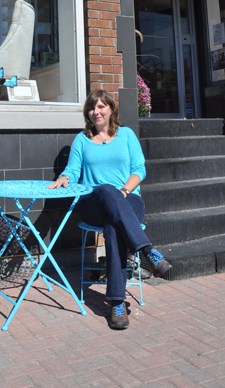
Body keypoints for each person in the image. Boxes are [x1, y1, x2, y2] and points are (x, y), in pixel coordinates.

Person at [48, 89, 171, 330]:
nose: (96, 112)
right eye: (92, 108)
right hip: (93, 203)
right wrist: (64, 176)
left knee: (114, 228)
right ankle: (147, 250)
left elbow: (139, 169)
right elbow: (73, 171)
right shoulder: (82, 140)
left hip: (128, 199)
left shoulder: (126, 135)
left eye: (101, 107)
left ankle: (116, 302)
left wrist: (123, 191)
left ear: (111, 109)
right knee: (105, 189)